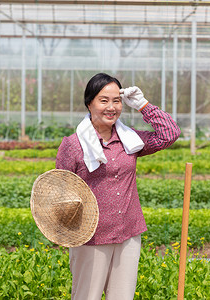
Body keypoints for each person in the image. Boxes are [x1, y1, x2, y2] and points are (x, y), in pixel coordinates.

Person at [56, 73, 181, 300]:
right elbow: (61, 192)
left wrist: (143, 105)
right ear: (89, 103)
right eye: (104, 100)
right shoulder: (73, 145)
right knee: (86, 296)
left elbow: (170, 134)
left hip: (128, 234)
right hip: (91, 238)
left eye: (117, 100)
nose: (111, 107)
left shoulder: (130, 140)